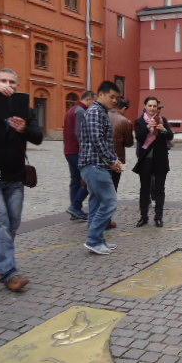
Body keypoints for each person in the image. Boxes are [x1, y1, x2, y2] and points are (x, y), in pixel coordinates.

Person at [0, 68, 43, 291]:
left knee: (12, 224)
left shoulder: (24, 108)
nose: (7, 85)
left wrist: (25, 129)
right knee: (0, 223)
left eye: (12, 82)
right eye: (2, 81)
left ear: (17, 85)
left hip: (15, 178)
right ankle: (8, 273)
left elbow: (38, 137)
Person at [79, 81, 123, 255]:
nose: (115, 100)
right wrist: (113, 160)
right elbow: (97, 140)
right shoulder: (96, 112)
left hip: (96, 165)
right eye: (112, 97)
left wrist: (114, 160)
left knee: (96, 203)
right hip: (94, 165)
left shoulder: (101, 112)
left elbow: (104, 141)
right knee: (110, 202)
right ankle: (94, 240)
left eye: (117, 98)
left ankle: (98, 240)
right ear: (101, 95)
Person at [133, 96, 174, 228]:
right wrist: (147, 127)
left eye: (154, 106)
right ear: (145, 106)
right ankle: (143, 217)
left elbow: (170, 136)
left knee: (159, 189)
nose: (152, 108)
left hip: (160, 160)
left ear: (157, 107)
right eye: (149, 106)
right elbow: (139, 137)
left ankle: (158, 217)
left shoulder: (162, 120)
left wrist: (163, 130)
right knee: (144, 189)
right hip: (145, 160)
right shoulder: (139, 121)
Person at [63, 90, 95, 220]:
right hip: (77, 152)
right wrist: (86, 152)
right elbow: (80, 134)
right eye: (93, 102)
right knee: (88, 180)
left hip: (69, 151)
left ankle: (75, 211)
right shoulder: (81, 111)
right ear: (89, 100)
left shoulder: (71, 110)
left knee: (75, 181)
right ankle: (75, 207)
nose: (93, 105)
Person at [108, 97, 134, 191]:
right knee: (113, 186)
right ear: (124, 108)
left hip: (101, 158)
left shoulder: (103, 115)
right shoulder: (125, 121)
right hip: (117, 159)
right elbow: (129, 143)